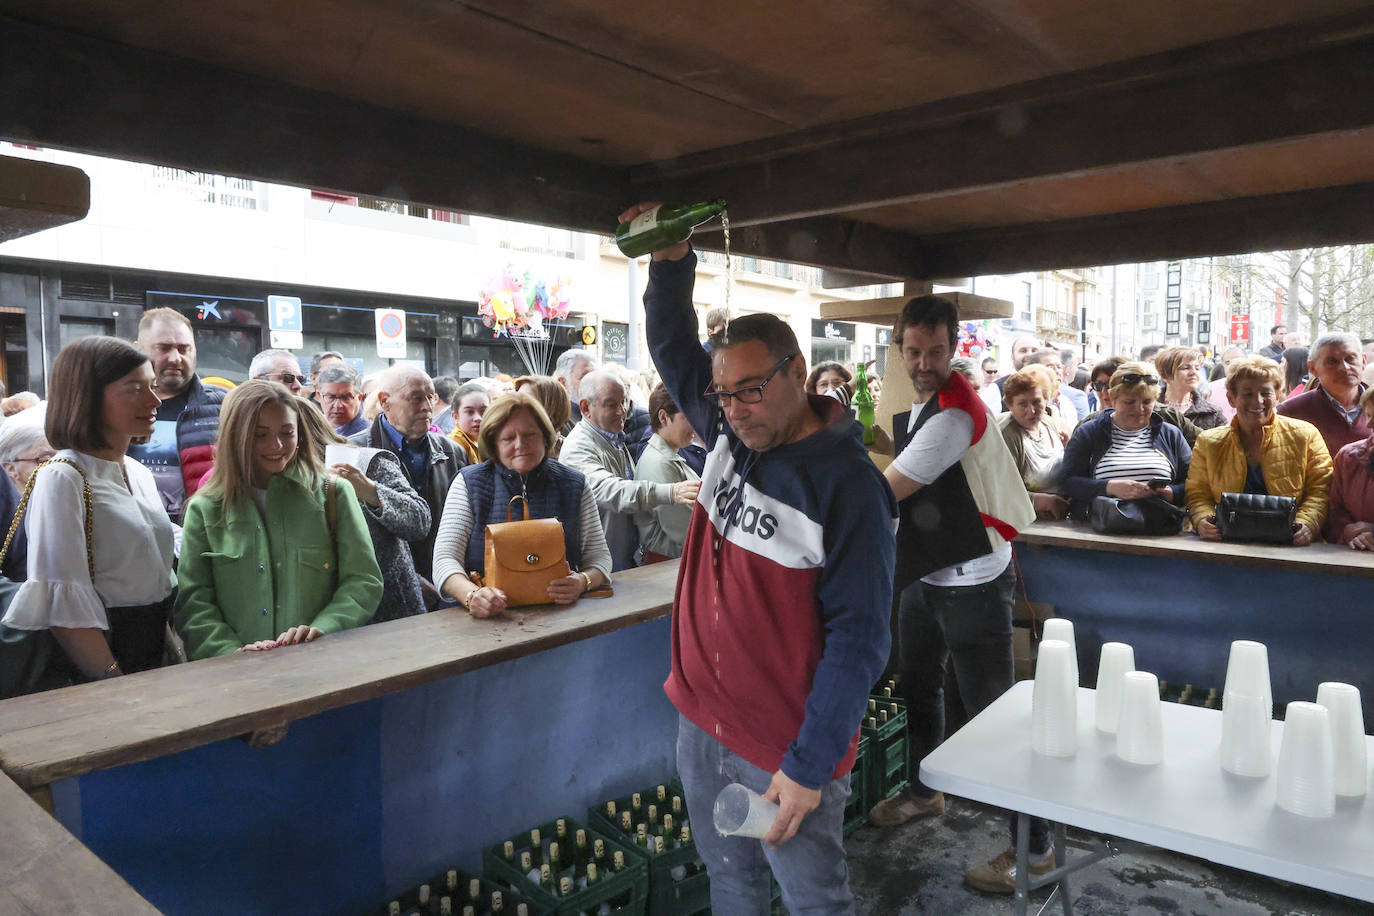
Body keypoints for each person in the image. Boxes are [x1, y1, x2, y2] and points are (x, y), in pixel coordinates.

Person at [631, 203, 896, 914]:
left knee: (815, 902)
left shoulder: (850, 490)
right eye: (724, 394)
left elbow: (862, 640)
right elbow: (670, 341)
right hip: (701, 719)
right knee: (730, 885)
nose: (737, 409)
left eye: (753, 388)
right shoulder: (728, 427)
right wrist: (670, 259)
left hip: (785, 746)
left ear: (798, 372)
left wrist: (809, 767)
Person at [867, 293, 1040, 896]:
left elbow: (883, 493)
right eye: (913, 350)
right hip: (931, 574)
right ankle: (924, 791)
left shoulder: (952, 416)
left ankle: (1035, 849)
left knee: (992, 714)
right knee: (918, 685)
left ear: (955, 346)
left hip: (973, 581)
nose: (923, 362)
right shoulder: (925, 403)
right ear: (899, 347)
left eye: (935, 351)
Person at [0, 337, 176, 680]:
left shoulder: (138, 472)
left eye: (152, 386)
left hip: (152, 652)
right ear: (89, 397)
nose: (155, 400)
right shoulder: (62, 477)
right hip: (102, 657)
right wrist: (112, 679)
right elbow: (64, 611)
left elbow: (156, 583)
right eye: (135, 389)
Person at [176, 382, 382, 659]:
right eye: (259, 435)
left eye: (287, 433)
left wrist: (323, 628)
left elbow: (363, 581)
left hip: (323, 668)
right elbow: (194, 602)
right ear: (235, 436)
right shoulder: (204, 508)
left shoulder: (333, 493)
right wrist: (229, 652)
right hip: (236, 680)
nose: (276, 445)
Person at [432, 392, 611, 615]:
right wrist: (472, 596)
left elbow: (599, 556)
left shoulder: (574, 483)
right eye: (508, 438)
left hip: (563, 619)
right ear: (493, 443)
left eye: (530, 435)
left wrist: (582, 581)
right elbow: (444, 560)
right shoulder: (469, 483)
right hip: (485, 623)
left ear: (545, 438)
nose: (520, 445)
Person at [295, 397, 430, 623]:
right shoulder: (276, 484)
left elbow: (419, 521)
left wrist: (369, 489)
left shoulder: (365, 462)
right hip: (326, 618)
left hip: (391, 614)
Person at [560, 370, 698, 571]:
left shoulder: (613, 437)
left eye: (625, 401)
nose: (622, 410)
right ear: (585, 407)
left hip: (620, 564)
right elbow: (611, 491)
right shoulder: (578, 447)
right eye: (611, 404)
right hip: (599, 570)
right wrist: (670, 492)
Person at [1186, 356, 1331, 546]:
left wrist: (1307, 523)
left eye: (1266, 393)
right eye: (1247, 394)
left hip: (1291, 546)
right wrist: (1203, 520)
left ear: (1278, 394)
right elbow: (1197, 493)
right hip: (1226, 545)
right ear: (1231, 398)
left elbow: (1320, 490)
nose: (1258, 401)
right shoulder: (1208, 442)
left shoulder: (1306, 435)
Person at [347, 366, 467, 583]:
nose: (427, 407)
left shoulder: (452, 451)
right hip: (385, 585)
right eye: (415, 398)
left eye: (430, 397)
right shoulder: (354, 452)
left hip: (445, 582)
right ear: (385, 401)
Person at [126, 307, 225, 521]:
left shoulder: (225, 405)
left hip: (202, 535)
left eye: (184, 349)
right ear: (138, 350)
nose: (175, 358)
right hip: (132, 533)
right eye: (164, 348)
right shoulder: (116, 405)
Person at [1060, 362, 1191, 512]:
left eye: (1147, 402)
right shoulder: (1088, 433)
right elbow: (1068, 482)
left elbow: (1194, 483)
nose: (1139, 409)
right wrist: (1109, 487)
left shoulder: (1170, 434)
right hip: (1099, 529)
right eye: (1129, 402)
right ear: (1112, 399)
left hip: (1160, 528)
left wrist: (1172, 493)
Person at [633, 384, 701, 562]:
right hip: (668, 564)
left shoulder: (666, 456)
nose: (695, 423)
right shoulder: (661, 462)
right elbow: (685, 531)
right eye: (687, 416)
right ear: (663, 417)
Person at [1277, 332, 1371, 458]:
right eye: (1332, 361)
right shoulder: (1290, 413)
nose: (1345, 367)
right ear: (1313, 368)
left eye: (1350, 358)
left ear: (1363, 361)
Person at [1081, 356, 1203, 447]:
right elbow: (1071, 476)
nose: (1104, 391)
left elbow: (1205, 443)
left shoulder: (1168, 417)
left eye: (1109, 384)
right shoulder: (1089, 425)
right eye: (1098, 385)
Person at [997, 370, 1069, 519]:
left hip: (1061, 518)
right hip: (1028, 525)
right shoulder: (1008, 435)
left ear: (1046, 399)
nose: (1031, 411)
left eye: (1037, 402)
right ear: (1010, 405)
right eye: (1022, 404)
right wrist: (1041, 501)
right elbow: (1001, 492)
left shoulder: (1048, 423)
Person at [1324, 387, 1374, 548]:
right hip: (1351, 557)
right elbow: (1334, 510)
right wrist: (1349, 532)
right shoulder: (1348, 457)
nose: (1369, 424)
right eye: (1368, 415)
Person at [1155, 345, 1225, 430]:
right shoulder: (1149, 408)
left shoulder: (1213, 413)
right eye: (1186, 368)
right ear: (1165, 376)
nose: (1193, 372)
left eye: (1197, 368)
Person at [513, 374, 571, 457]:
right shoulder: (506, 447)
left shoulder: (569, 453)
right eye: (515, 398)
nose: (514, 405)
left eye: (526, 400)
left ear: (551, 408)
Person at [1023, 349, 1083, 427]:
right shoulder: (1027, 403)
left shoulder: (1066, 402)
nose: (1057, 371)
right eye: (1050, 367)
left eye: (1059, 367)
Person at [553, 347, 599, 433]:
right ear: (563, 383)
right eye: (585, 377)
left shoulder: (601, 414)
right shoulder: (559, 423)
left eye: (596, 377)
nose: (594, 384)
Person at [316, 363, 369, 437]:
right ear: (319, 396)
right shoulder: (312, 429)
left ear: (359, 398)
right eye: (331, 397)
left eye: (346, 397)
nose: (338, 405)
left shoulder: (369, 437)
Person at [445, 382, 490, 465]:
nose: (478, 418)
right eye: (470, 412)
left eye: (483, 411)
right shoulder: (453, 445)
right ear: (455, 417)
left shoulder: (489, 439)